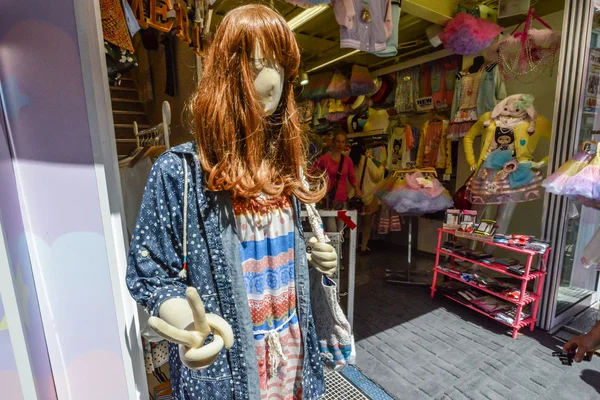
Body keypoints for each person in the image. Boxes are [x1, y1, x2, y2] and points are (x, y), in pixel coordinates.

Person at [126, 5, 338, 399]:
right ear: (226, 72)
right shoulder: (180, 172)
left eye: (280, 65)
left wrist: (316, 261)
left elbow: (282, 263)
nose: (271, 80)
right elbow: (149, 272)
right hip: (228, 373)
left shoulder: (286, 171)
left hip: (292, 365)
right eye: (256, 64)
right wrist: (189, 325)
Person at [313, 132, 362, 233]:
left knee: (340, 230)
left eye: (343, 142)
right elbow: (312, 171)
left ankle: (340, 248)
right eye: (338, 141)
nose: (340, 144)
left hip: (342, 200)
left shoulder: (348, 160)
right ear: (333, 142)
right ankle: (333, 248)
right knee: (332, 229)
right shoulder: (324, 159)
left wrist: (356, 188)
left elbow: (352, 176)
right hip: (328, 200)